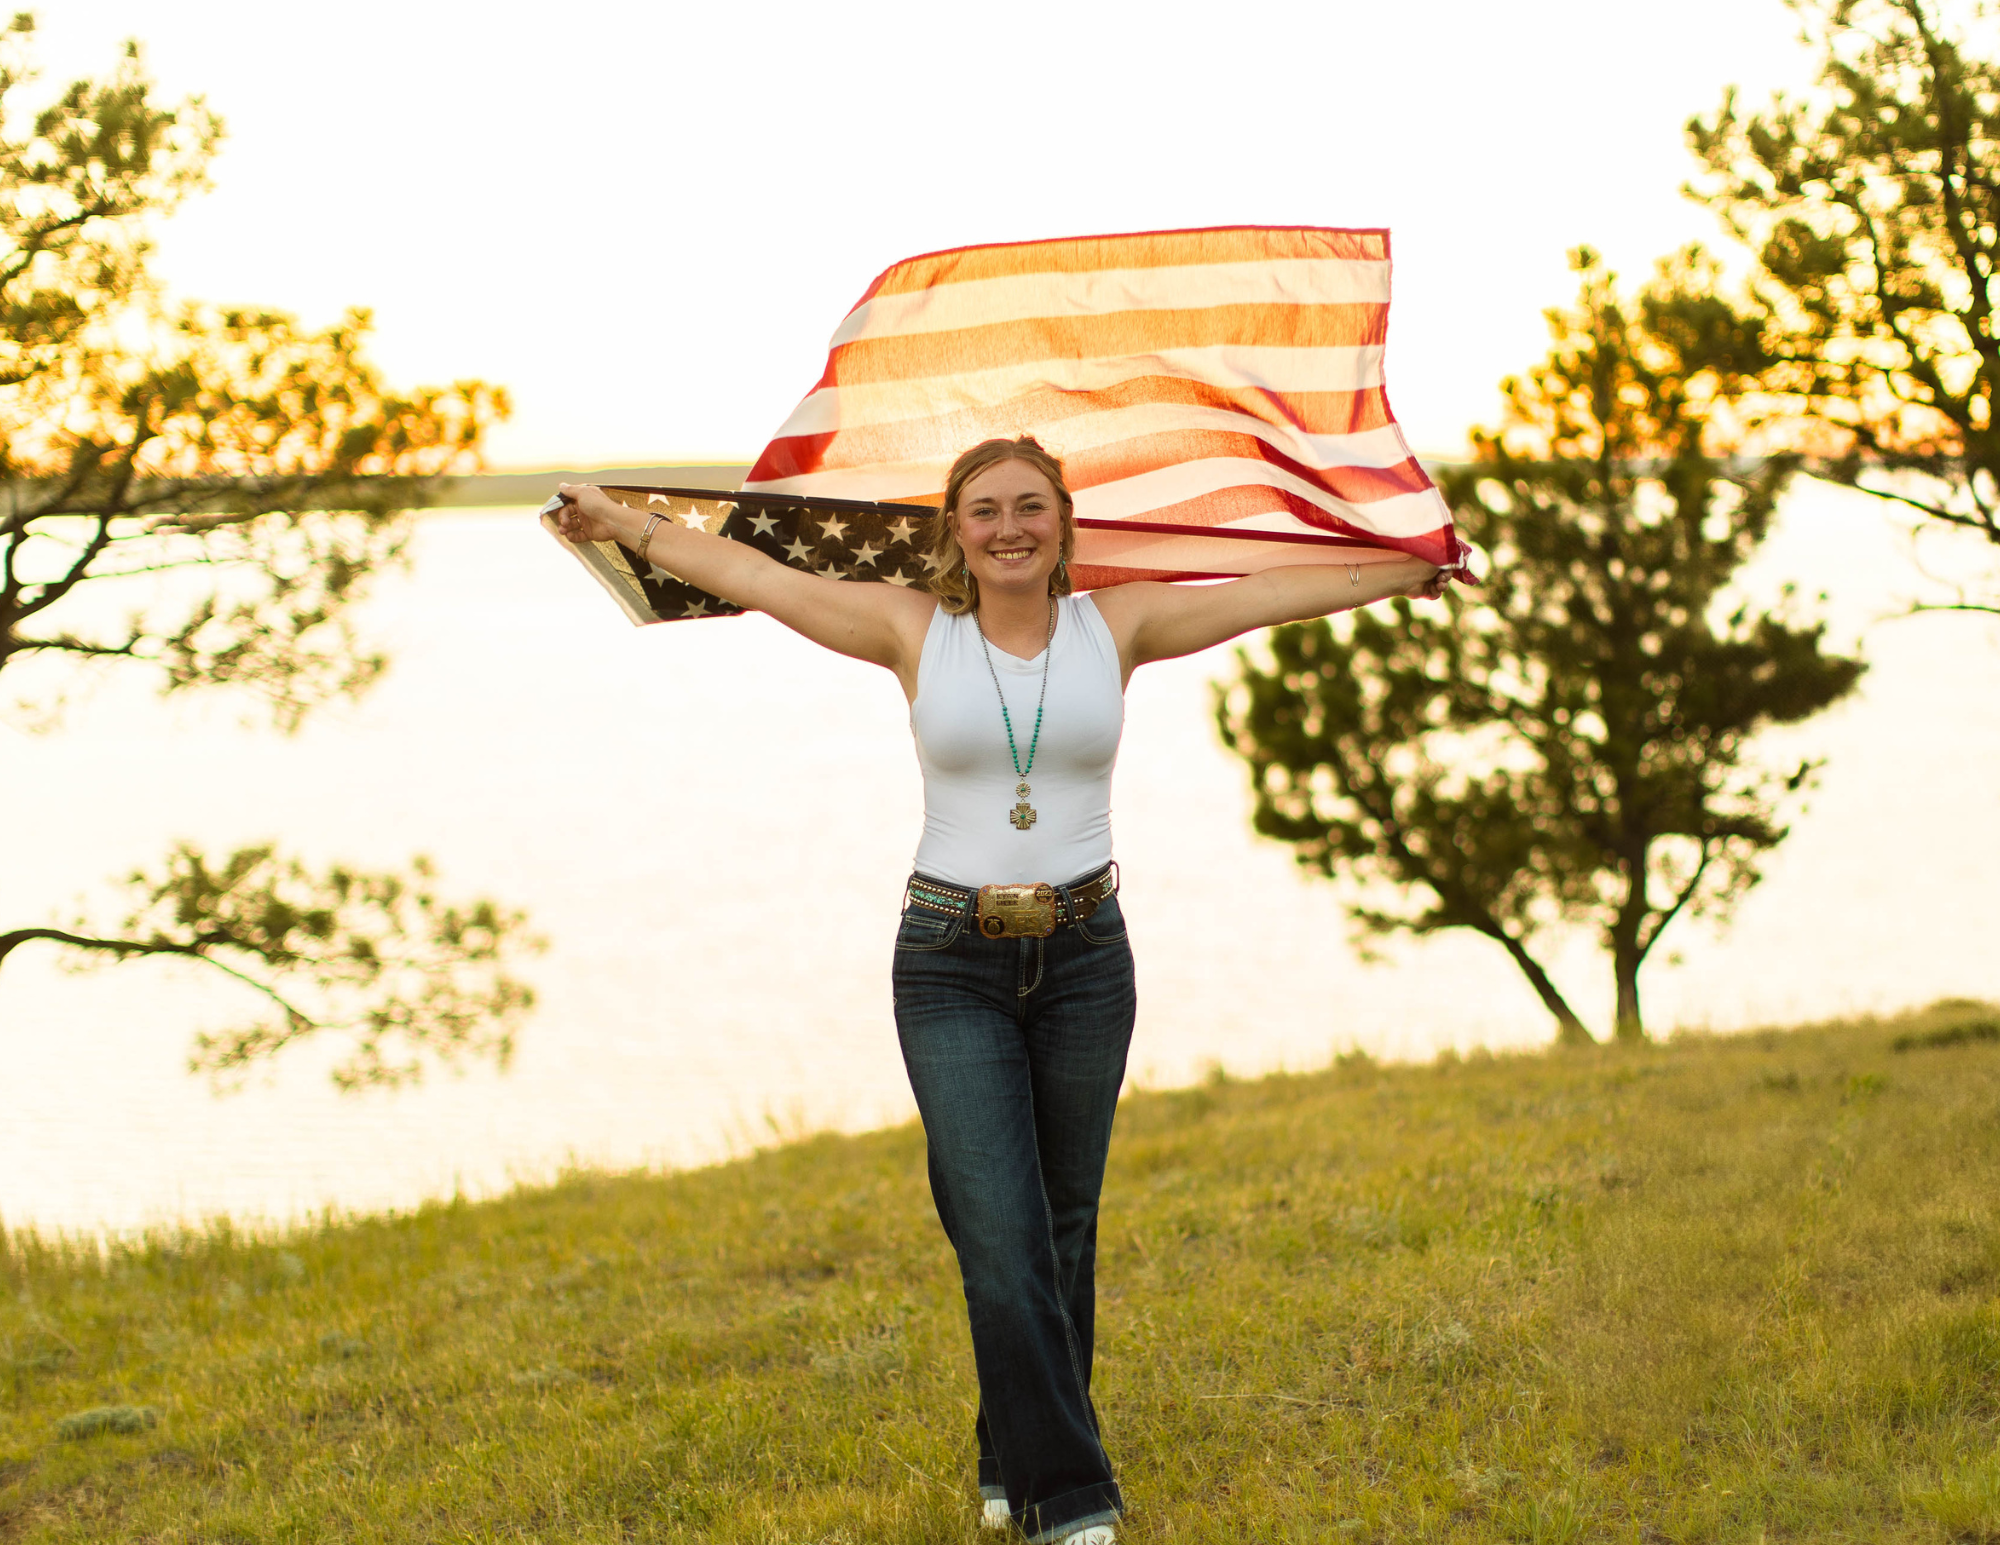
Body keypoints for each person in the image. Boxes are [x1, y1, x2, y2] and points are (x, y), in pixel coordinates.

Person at [553, 438, 1443, 1545]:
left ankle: (1004, 1463)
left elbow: (1269, 593)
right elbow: (759, 578)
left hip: (1084, 957)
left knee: (1062, 1230)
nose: (1009, 527)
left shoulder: (1115, 627)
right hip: (947, 962)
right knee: (1001, 1235)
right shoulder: (909, 629)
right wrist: (622, 523)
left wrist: (1416, 565)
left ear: (1064, 523)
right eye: (984, 511)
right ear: (954, 531)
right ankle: (1069, 1503)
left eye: (1031, 507)